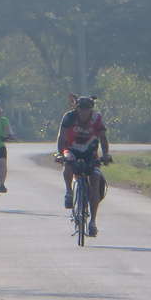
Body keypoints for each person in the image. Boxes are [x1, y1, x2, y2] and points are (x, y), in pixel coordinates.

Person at [55, 95, 112, 237]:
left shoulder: (96, 119)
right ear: (76, 108)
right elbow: (61, 137)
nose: (84, 112)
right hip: (72, 149)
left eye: (87, 109)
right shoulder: (69, 117)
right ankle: (69, 192)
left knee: (95, 180)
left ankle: (92, 222)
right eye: (81, 109)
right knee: (67, 162)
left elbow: (103, 138)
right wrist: (60, 153)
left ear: (91, 109)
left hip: (90, 153)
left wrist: (105, 154)